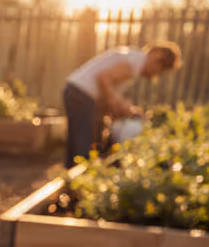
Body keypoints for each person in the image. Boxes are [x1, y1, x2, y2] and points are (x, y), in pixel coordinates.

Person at [62, 42, 182, 170]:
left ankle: (71, 175)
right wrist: (116, 104)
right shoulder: (135, 62)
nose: (156, 74)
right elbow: (103, 78)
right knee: (83, 145)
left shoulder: (132, 58)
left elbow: (106, 89)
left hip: (79, 93)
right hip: (81, 94)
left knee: (82, 143)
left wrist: (119, 107)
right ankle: (78, 175)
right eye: (159, 66)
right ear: (154, 54)